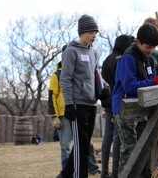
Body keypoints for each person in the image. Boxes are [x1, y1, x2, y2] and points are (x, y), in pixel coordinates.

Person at [57, 14, 109, 178]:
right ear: (83, 32)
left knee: (84, 145)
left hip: (92, 104)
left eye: (96, 32)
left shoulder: (94, 53)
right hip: (77, 105)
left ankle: (64, 175)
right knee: (81, 148)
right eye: (92, 32)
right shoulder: (71, 52)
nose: (94, 35)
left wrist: (105, 88)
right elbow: (64, 79)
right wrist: (69, 104)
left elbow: (96, 75)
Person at [112, 24, 158, 176]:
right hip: (125, 109)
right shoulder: (128, 58)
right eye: (148, 46)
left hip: (142, 109)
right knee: (130, 150)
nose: (151, 51)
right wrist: (153, 82)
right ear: (137, 42)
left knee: (144, 149)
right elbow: (129, 86)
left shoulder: (149, 60)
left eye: (154, 47)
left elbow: (152, 78)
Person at [101, 35, 134, 178]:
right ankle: (115, 172)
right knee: (117, 137)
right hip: (119, 101)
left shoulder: (106, 60)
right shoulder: (121, 59)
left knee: (107, 137)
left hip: (107, 101)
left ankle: (104, 172)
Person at [49, 45, 72, 169]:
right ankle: (67, 172)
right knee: (65, 146)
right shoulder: (56, 75)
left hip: (79, 113)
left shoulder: (78, 72)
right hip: (64, 115)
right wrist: (54, 116)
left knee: (84, 144)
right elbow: (52, 95)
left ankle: (92, 168)